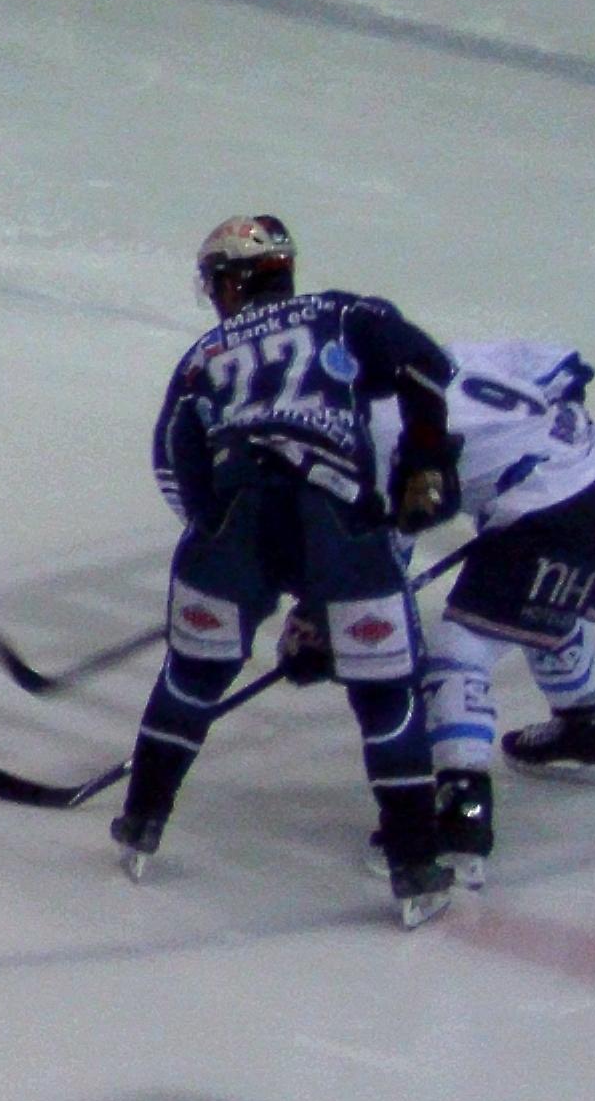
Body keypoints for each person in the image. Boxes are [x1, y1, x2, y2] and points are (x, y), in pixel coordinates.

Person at [117, 215, 467, 928]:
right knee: (384, 695)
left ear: (234, 280)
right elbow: (424, 364)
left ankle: (142, 820)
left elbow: (174, 457)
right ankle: (414, 864)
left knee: (193, 675)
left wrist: (212, 533)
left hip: (236, 520)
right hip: (337, 520)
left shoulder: (203, 354)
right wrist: (426, 460)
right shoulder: (345, 312)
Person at [388, 339, 595, 875]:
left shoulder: (375, 433)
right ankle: (583, 729)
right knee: (543, 607)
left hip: (555, 513)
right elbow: (568, 368)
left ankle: (461, 817)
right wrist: (542, 450)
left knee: (456, 652)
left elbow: (387, 556)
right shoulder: (455, 355)